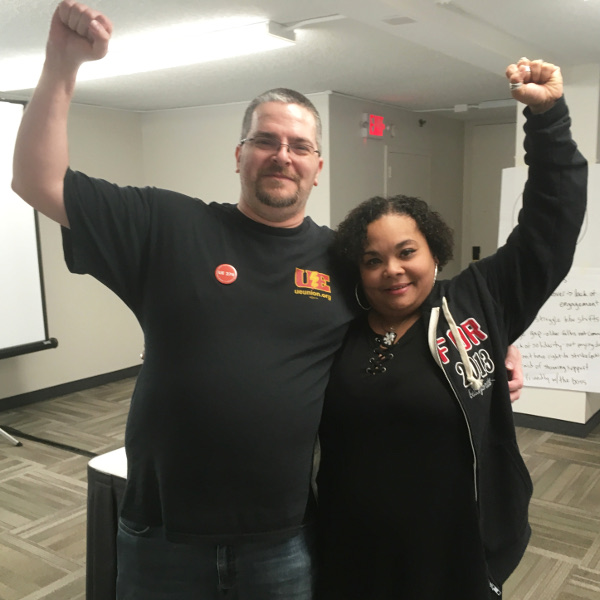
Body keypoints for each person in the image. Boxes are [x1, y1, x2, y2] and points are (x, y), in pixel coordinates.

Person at [11, 2, 523, 598]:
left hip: (283, 540)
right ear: (239, 155)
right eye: (266, 140)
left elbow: (407, 311)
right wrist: (62, 66)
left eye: (300, 146)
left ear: (316, 167)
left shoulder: (343, 261)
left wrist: (491, 345)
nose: (283, 154)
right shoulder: (167, 225)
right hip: (162, 533)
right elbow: (36, 181)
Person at [315, 58, 587, 599]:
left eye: (406, 252)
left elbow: (548, 230)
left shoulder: (478, 301)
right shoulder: (336, 324)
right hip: (350, 549)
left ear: (435, 252)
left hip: (453, 552)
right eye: (373, 259)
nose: (391, 269)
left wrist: (548, 120)